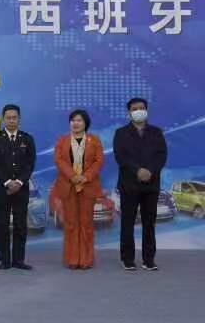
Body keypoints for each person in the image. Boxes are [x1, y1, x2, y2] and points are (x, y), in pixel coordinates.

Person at [113, 98, 168, 271]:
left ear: (147, 110)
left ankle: (148, 259)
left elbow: (161, 155)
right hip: (129, 184)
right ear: (129, 113)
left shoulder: (156, 132)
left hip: (151, 184)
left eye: (142, 108)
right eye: (135, 109)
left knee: (149, 223)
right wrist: (137, 170)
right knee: (127, 223)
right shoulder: (121, 133)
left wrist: (150, 170)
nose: (139, 111)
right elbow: (120, 156)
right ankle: (127, 259)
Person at [51, 110, 104, 269]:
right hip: (68, 186)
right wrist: (72, 176)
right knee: (71, 223)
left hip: (88, 186)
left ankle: (86, 260)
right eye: (73, 120)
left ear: (85, 123)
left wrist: (85, 177)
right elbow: (59, 160)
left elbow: (99, 161)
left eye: (79, 120)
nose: (75, 123)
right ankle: (72, 259)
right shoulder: (62, 140)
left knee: (86, 223)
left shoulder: (94, 140)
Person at [0, 104, 36, 270]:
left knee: (20, 224)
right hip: (2, 188)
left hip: (22, 188)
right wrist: (8, 182)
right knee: (2, 224)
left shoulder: (27, 139)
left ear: (19, 119)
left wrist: (19, 182)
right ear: (3, 119)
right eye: (8, 118)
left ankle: (19, 260)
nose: (11, 120)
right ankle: (4, 260)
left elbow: (30, 164)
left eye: (14, 117)